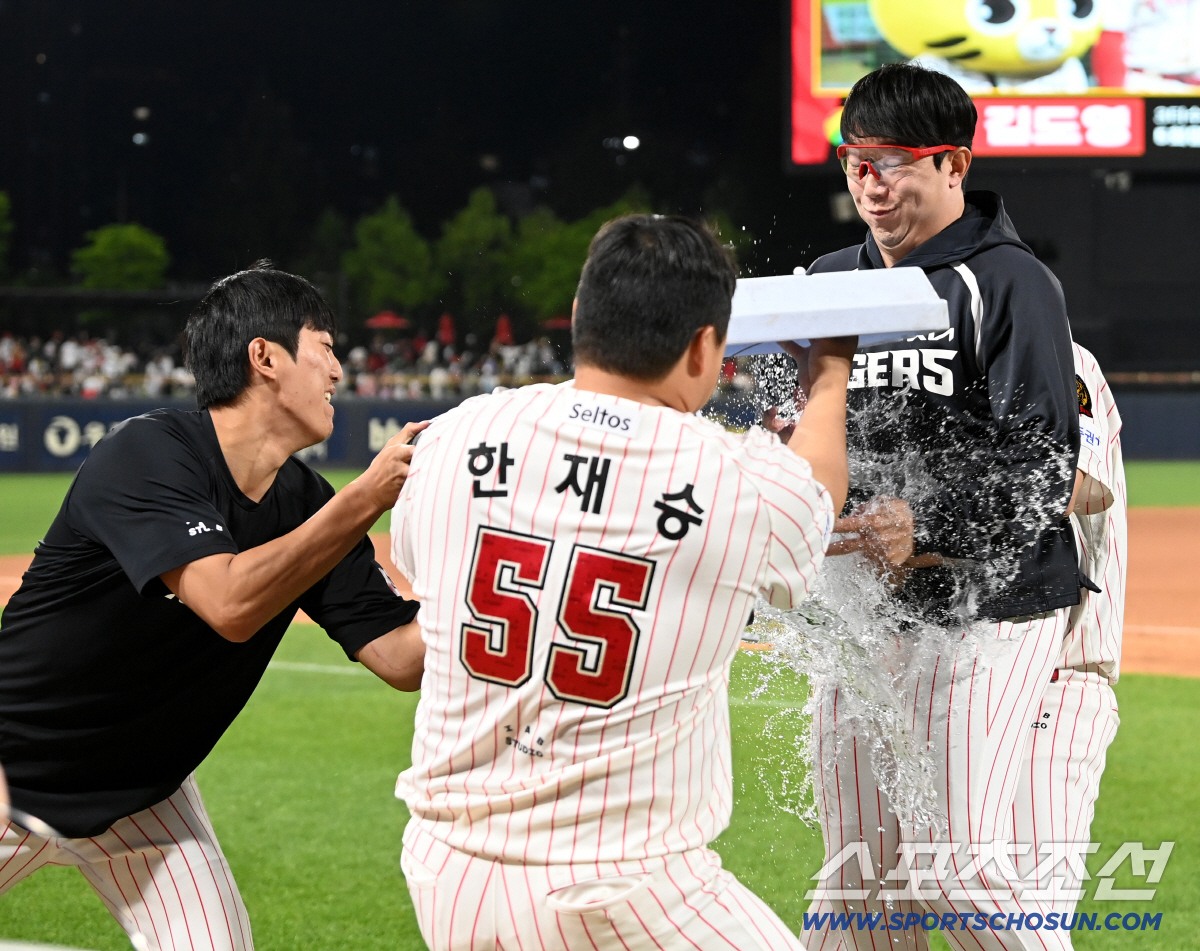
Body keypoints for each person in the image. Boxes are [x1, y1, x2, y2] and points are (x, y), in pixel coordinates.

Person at [389, 214, 856, 950]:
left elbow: (427, 574)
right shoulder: (735, 475)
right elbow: (818, 495)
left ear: (582, 314)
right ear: (704, 347)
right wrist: (829, 376)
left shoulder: (456, 433)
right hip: (621, 891)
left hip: (448, 875)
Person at [0, 265, 426, 951]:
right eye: (325, 347)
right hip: (14, 769)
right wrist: (365, 498)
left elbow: (401, 657)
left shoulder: (308, 503)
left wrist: (509, 581)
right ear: (265, 357)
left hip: (145, 799)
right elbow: (229, 602)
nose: (339, 371)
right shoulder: (147, 452)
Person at [796, 64, 1088, 951]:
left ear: (953, 163)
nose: (869, 184)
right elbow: (788, 429)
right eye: (855, 162)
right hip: (863, 613)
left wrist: (925, 527)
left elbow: (1043, 465)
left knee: (953, 871)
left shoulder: (1009, 281)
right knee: (858, 881)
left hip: (992, 608)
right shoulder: (826, 280)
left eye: (891, 162)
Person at [1010, 342, 1126, 913]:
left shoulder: (1053, 349)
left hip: (1054, 680)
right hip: (930, 673)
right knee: (867, 906)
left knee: (1030, 915)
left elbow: (1071, 482)